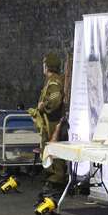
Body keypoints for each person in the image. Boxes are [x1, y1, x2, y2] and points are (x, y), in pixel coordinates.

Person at [30, 53, 68, 188]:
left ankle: (56, 178)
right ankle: (53, 176)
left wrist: (43, 106)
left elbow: (55, 99)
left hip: (52, 122)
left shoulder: (54, 81)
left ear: (47, 66)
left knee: (53, 149)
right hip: (50, 121)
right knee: (50, 149)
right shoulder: (53, 80)